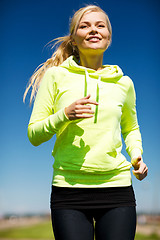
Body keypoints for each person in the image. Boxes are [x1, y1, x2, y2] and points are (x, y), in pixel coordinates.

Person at [24, 5, 148, 240]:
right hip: (68, 190)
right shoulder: (56, 76)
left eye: (100, 25)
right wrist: (64, 115)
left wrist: (137, 155)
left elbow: (131, 128)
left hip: (117, 187)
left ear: (108, 36)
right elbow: (34, 134)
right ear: (74, 38)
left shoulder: (124, 83)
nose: (93, 30)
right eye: (85, 25)